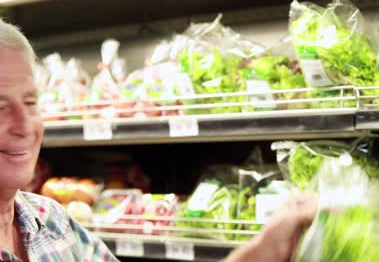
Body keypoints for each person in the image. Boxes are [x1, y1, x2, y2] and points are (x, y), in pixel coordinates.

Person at [0, 17, 316, 262]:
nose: (24, 125)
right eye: (1, 107)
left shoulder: (51, 222)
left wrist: (265, 248)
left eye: (30, 103)